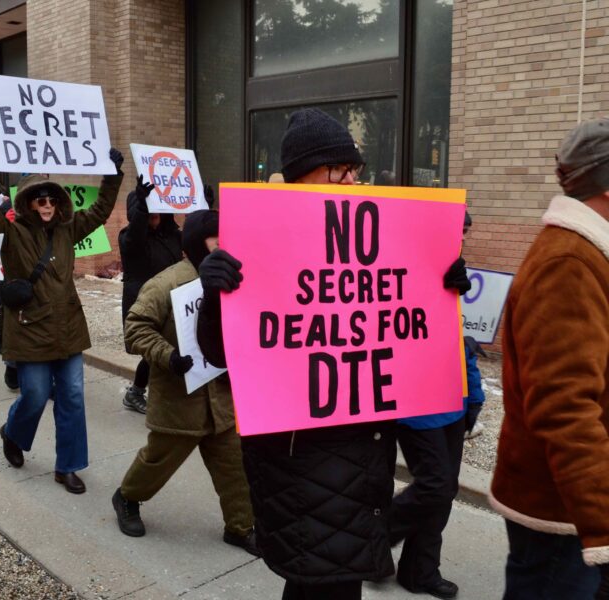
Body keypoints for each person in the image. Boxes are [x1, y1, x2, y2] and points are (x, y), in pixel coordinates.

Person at [195, 107, 472, 600]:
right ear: (303, 173)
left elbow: (402, 325)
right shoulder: (257, 239)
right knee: (323, 581)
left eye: (354, 170)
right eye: (337, 169)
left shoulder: (379, 233)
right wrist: (216, 294)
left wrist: (441, 286)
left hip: (362, 452)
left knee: (325, 582)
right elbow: (218, 353)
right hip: (298, 457)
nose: (350, 180)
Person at [490, 118, 609, 599]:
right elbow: (565, 406)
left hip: (575, 502)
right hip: (563, 513)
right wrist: (603, 519)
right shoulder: (569, 263)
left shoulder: (587, 255)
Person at [0, 141, 124, 495]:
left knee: (72, 395)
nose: (46, 204)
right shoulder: (12, 233)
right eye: (39, 199)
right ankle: (13, 433)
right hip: (29, 331)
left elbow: (101, 211)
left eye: (51, 199)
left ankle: (67, 466)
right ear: (26, 202)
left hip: (68, 329)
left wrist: (113, 177)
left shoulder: (68, 230)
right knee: (36, 396)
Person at [112, 209, 258, 556]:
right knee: (156, 462)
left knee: (236, 469)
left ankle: (240, 527)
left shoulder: (233, 279)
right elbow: (135, 330)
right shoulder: (166, 284)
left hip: (221, 400)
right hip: (179, 402)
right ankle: (127, 497)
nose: (225, 247)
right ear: (196, 243)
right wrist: (168, 356)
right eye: (216, 240)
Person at [387, 211, 486, 600]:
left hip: (454, 400)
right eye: (455, 233)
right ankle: (372, 542)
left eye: (464, 234)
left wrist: (474, 396)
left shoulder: (456, 273)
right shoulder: (401, 271)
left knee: (442, 494)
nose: (461, 241)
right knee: (434, 486)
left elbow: (463, 344)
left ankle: (419, 571)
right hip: (417, 403)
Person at [118, 175, 183, 413]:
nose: (154, 213)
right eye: (147, 209)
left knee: (169, 346)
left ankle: (145, 391)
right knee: (153, 349)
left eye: (157, 208)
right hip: (143, 302)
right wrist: (143, 207)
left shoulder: (173, 236)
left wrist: (201, 210)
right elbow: (136, 233)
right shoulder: (129, 237)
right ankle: (136, 392)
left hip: (173, 298)